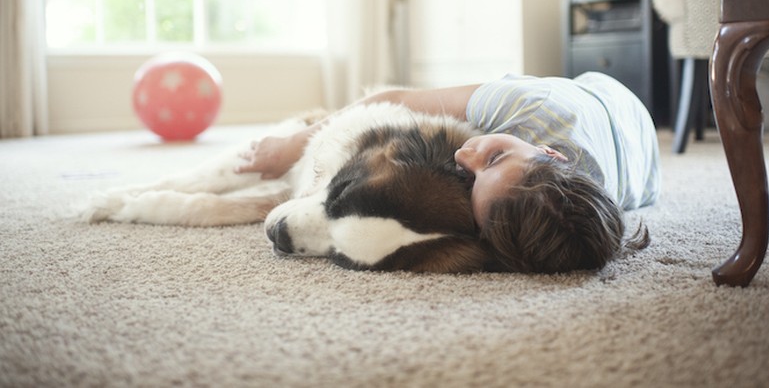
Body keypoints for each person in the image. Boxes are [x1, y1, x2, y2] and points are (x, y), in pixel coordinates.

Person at [236, 72, 660, 274]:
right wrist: (288, 148)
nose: (465, 158)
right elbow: (394, 97)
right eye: (493, 158)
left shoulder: (563, 220)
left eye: (470, 185)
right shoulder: (519, 104)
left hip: (641, 151)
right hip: (607, 90)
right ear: (550, 153)